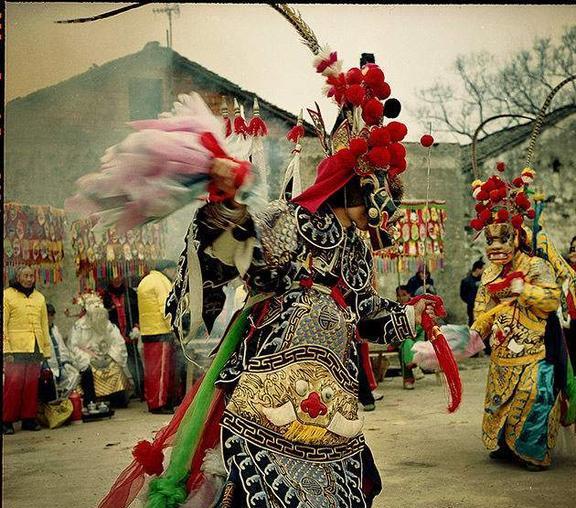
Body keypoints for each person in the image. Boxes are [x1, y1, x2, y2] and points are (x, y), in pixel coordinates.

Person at [469, 164, 565, 471]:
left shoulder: (536, 265)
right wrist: (473, 333)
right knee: (499, 401)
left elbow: (552, 299)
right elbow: (482, 308)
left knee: (532, 395)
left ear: (517, 237)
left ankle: (532, 452)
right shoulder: (489, 272)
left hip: (533, 351)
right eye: (490, 241)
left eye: (503, 239)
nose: (495, 247)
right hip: (501, 353)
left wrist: (524, 291)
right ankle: (506, 446)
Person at [3, 266, 51, 434]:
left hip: (35, 346)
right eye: (25, 276)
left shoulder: (40, 298)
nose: (29, 279)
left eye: (31, 276)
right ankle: (7, 420)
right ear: (18, 277)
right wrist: (6, 350)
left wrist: (46, 350)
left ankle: (28, 419)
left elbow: (44, 325)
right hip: (15, 349)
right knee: (13, 385)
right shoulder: (7, 295)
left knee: (31, 385)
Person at [68, 291, 130, 408]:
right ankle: (92, 401)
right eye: (92, 303)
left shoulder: (107, 325)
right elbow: (73, 346)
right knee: (87, 372)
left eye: (98, 303)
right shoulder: (79, 326)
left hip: (107, 357)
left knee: (115, 368)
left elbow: (118, 342)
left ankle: (117, 399)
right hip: (89, 359)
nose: (97, 306)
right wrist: (88, 358)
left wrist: (111, 355)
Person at [137, 260, 180, 414]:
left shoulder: (146, 281)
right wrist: (175, 329)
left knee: (152, 371)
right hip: (160, 332)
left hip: (148, 332)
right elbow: (166, 309)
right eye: (174, 271)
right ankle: (160, 404)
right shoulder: (161, 282)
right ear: (167, 269)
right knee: (161, 372)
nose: (175, 274)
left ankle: (153, 402)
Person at [102, 276, 144, 399]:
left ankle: (141, 389)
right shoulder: (105, 296)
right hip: (114, 336)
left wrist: (137, 326)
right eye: (113, 277)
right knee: (115, 362)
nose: (117, 279)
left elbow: (138, 311)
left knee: (134, 362)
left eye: (119, 276)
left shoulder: (130, 293)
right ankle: (118, 393)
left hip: (130, 334)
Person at [46, 303, 80, 400]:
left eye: (51, 315)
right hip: (48, 367)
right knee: (50, 381)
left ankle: (63, 398)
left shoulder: (55, 329)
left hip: (60, 364)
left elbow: (62, 347)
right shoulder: (40, 331)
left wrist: (66, 362)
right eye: (47, 315)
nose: (50, 318)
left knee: (74, 375)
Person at [396, 285, 426, 389]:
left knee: (407, 344)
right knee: (405, 344)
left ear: (409, 294)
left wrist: (409, 332)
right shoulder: (395, 307)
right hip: (400, 337)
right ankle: (414, 368)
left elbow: (420, 324)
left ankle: (409, 378)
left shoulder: (416, 305)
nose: (401, 298)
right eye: (399, 296)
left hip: (417, 336)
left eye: (404, 295)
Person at [460, 260, 485, 326]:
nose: (484, 271)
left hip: (483, 306)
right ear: (477, 269)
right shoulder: (466, 281)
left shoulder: (483, 280)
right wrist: (470, 301)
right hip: (472, 307)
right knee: (472, 323)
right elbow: (463, 295)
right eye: (482, 269)